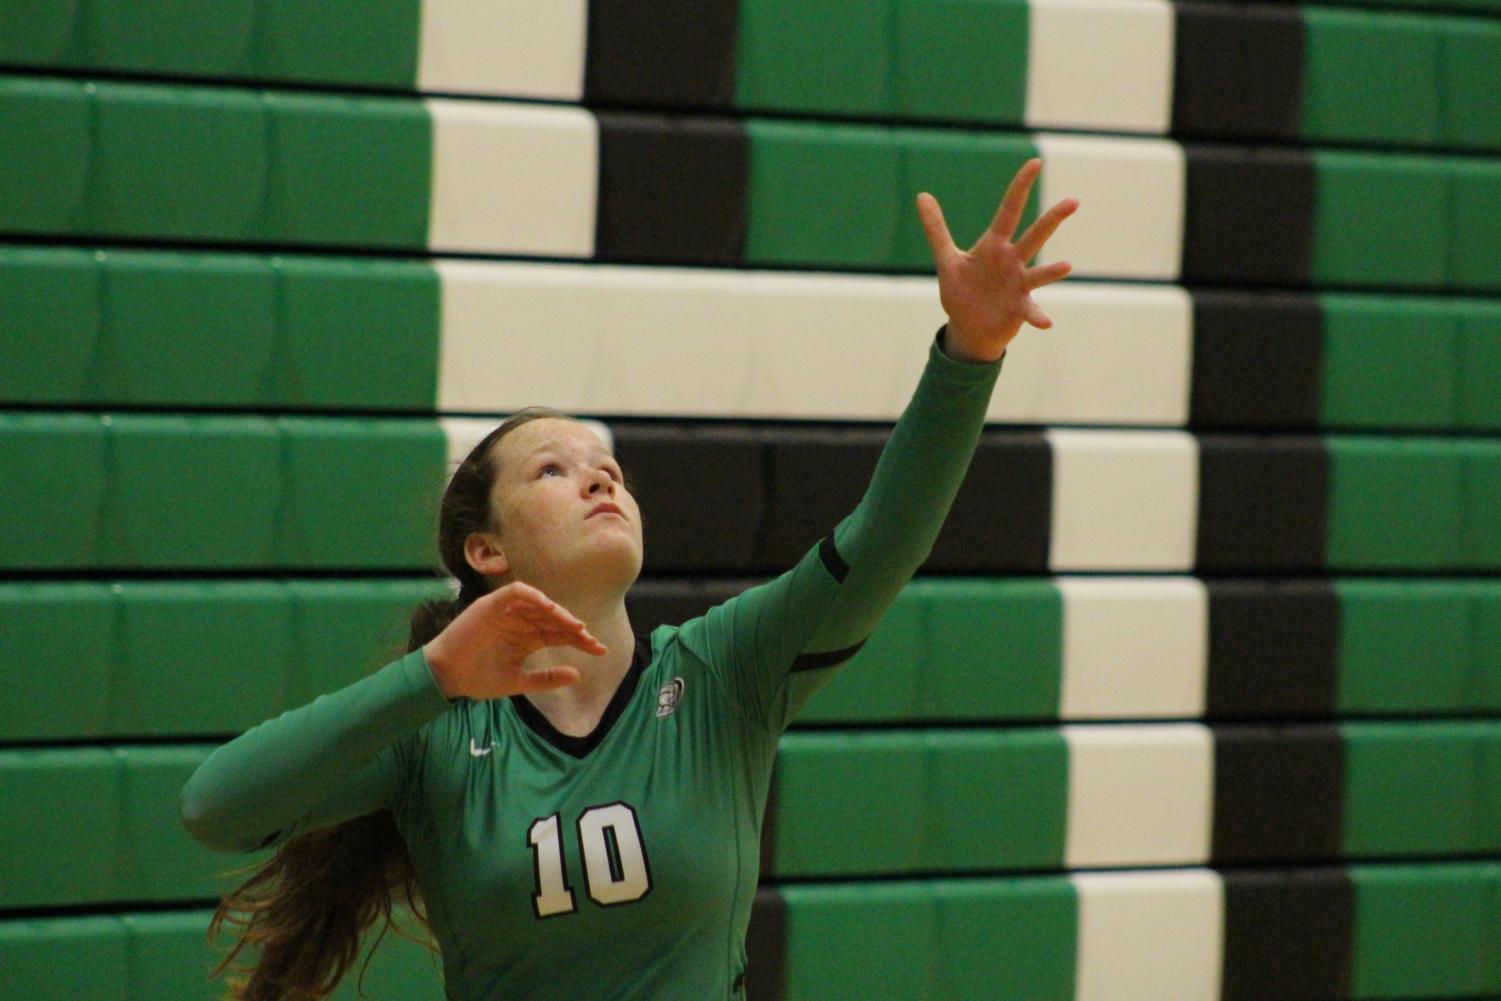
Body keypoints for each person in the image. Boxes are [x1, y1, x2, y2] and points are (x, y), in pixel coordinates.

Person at [178, 158, 1078, 1000]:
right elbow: (215, 806)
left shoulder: (725, 671)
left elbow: (882, 540)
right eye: (553, 471)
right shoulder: (437, 732)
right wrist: (433, 677)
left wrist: (969, 351)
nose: (600, 478)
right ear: (485, 551)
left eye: (608, 466)